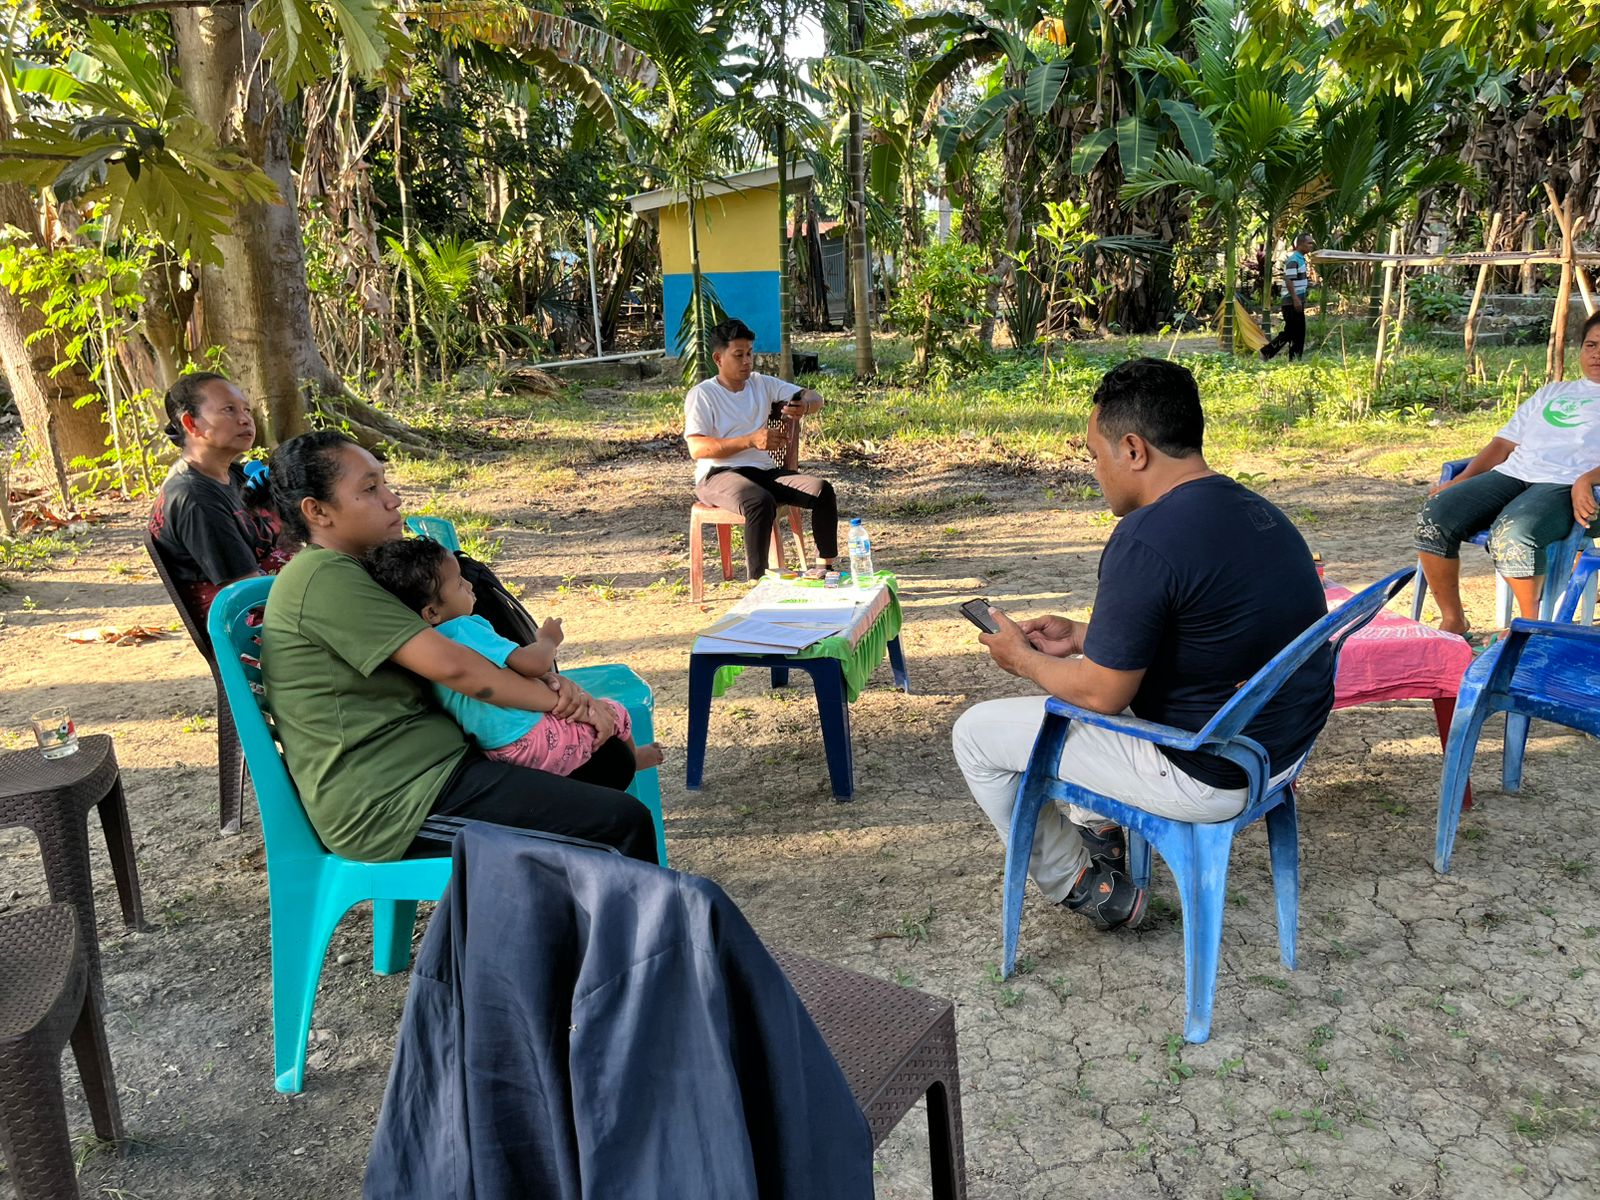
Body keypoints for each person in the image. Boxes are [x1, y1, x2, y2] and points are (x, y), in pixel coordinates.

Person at [952, 358, 1334, 930]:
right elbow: (1209, 629)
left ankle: (1087, 886)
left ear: (1133, 449)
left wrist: (1023, 659)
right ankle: (1106, 830)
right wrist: (1083, 636)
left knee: (977, 736)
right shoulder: (1258, 512)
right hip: (1280, 754)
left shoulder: (1145, 537)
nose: (1095, 470)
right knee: (1078, 707)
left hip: (1207, 771)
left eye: (1093, 454)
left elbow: (1104, 693)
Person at [260, 430, 657, 865]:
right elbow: (456, 669)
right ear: (317, 511)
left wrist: (551, 687)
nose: (392, 499)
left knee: (608, 763)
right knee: (619, 824)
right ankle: (636, 932)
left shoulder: (362, 570)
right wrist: (565, 702)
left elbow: (469, 654)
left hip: (439, 765)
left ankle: (543, 928)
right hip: (393, 802)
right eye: (370, 489)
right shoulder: (323, 578)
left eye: (385, 484)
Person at [363, 537, 664, 777]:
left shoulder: (420, 649)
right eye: (458, 583)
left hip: (499, 752)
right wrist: (547, 640)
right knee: (613, 711)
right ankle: (634, 757)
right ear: (432, 612)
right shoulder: (464, 629)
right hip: (536, 741)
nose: (468, 584)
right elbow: (533, 664)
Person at [1415, 310, 1600, 641]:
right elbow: (1502, 444)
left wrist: (1586, 479)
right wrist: (1461, 480)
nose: (1596, 354)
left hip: (1566, 485)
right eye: (1591, 344)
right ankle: (1454, 620)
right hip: (1514, 473)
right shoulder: (1553, 393)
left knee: (1513, 534)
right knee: (1437, 514)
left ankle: (1530, 629)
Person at [686, 317, 839, 580]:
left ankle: (825, 569)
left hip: (762, 471)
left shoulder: (761, 384)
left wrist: (805, 406)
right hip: (718, 475)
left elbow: (814, 396)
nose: (747, 361)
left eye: (749, 353)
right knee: (759, 501)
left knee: (821, 490)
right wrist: (750, 440)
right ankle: (757, 581)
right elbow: (697, 448)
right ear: (718, 359)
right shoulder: (703, 395)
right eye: (738, 355)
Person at [147, 372, 291, 618]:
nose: (245, 419)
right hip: (257, 633)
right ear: (191, 424)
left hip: (283, 602)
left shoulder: (236, 475)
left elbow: (289, 537)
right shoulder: (195, 499)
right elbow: (250, 596)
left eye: (246, 410)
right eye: (229, 410)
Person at [1260, 233, 1316, 362]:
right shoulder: (1294, 259)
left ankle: (1294, 358)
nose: (1311, 246)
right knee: (1291, 331)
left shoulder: (1300, 259)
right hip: (1291, 302)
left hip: (1296, 300)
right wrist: (1295, 299)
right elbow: (1289, 280)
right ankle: (1267, 352)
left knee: (1298, 332)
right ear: (1300, 245)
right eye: (1309, 243)